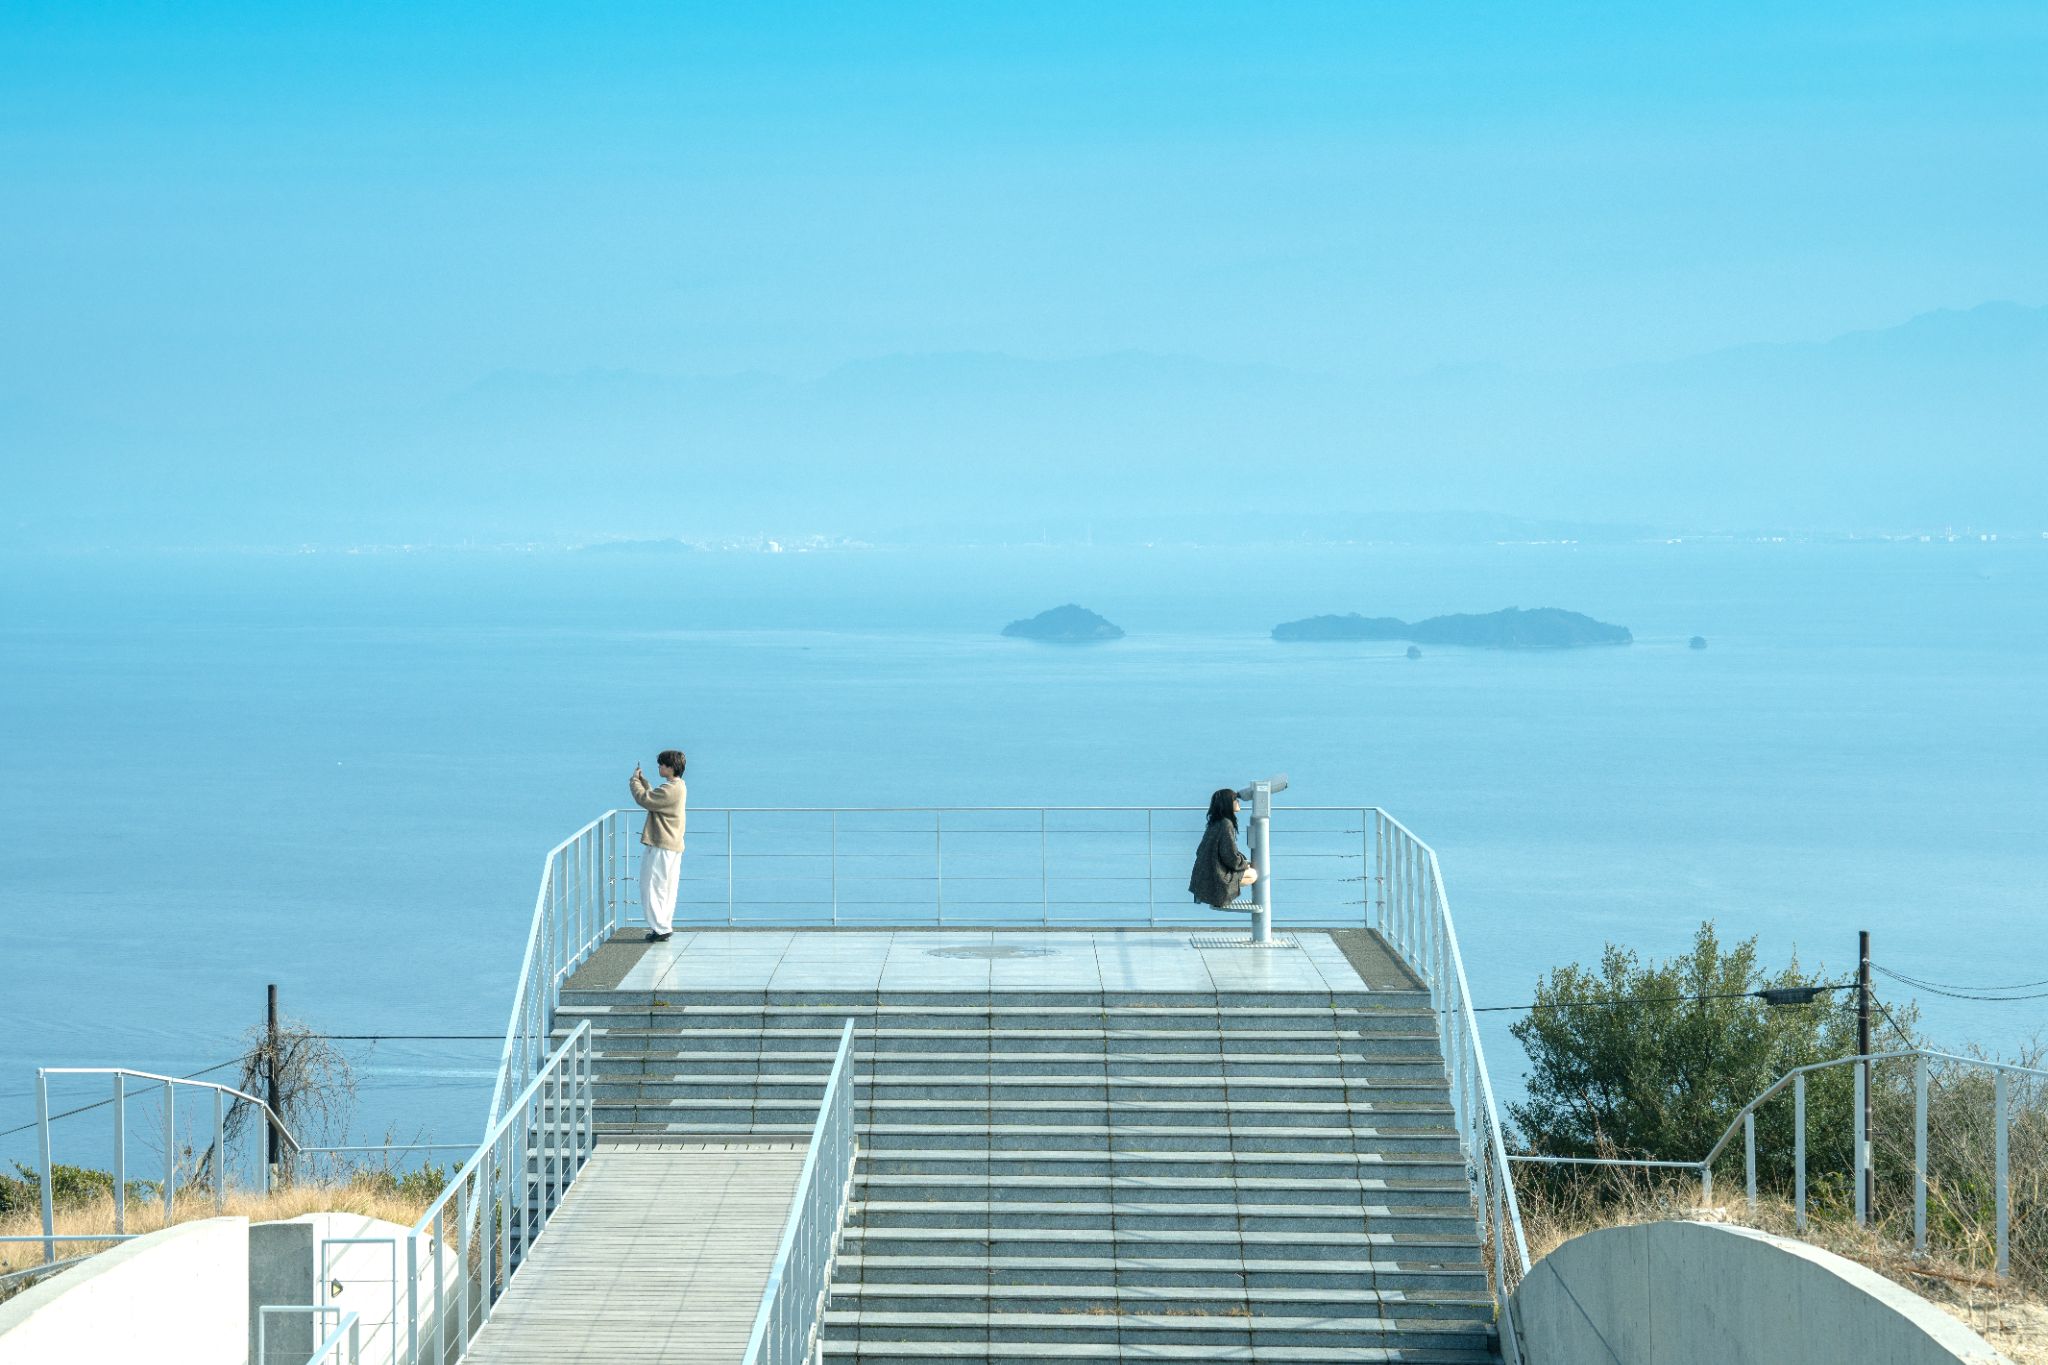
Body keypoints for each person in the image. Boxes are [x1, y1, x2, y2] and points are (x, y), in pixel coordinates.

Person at [630, 750, 688, 941]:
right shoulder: (677, 786)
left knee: (651, 886)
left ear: (671, 768)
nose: (659, 767)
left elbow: (645, 799)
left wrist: (634, 781)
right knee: (666, 887)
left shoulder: (670, 789)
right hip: (671, 845)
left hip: (662, 845)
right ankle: (663, 925)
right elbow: (655, 797)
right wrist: (645, 782)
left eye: (662, 764)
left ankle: (660, 928)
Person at [1188, 787, 1258, 909]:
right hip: (1215, 878)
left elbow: (1203, 850)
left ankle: (1217, 895)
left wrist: (1242, 862)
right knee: (1253, 874)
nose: (1238, 802)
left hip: (1202, 877)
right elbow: (1229, 855)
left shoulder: (1215, 823)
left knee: (1248, 870)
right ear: (1227, 804)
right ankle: (1219, 896)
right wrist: (1244, 864)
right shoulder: (1226, 824)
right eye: (1235, 800)